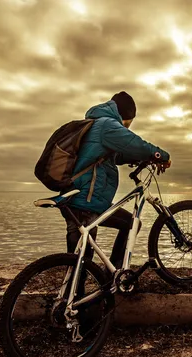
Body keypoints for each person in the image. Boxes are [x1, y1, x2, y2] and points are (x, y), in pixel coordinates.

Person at [60, 91, 171, 269]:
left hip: (83, 199)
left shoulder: (97, 124)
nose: (127, 126)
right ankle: (78, 294)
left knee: (129, 224)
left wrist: (138, 159)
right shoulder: (107, 125)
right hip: (84, 202)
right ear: (126, 115)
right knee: (80, 263)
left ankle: (113, 273)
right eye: (129, 122)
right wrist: (161, 155)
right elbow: (135, 144)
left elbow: (117, 156)